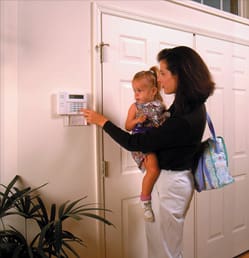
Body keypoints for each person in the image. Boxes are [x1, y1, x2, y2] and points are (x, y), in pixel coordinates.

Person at [83, 46, 215, 258]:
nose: (159, 80)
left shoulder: (182, 119)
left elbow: (135, 142)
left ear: (180, 74)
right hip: (173, 182)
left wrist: (102, 121)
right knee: (165, 248)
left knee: (163, 252)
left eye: (163, 73)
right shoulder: (187, 106)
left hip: (170, 185)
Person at [125, 66, 168, 222]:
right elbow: (127, 126)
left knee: (160, 170)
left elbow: (163, 124)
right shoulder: (135, 107)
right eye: (134, 91)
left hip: (156, 142)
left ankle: (156, 199)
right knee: (153, 169)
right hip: (141, 143)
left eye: (140, 91)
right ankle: (145, 202)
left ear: (153, 91)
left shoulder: (160, 106)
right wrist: (137, 120)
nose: (136, 94)